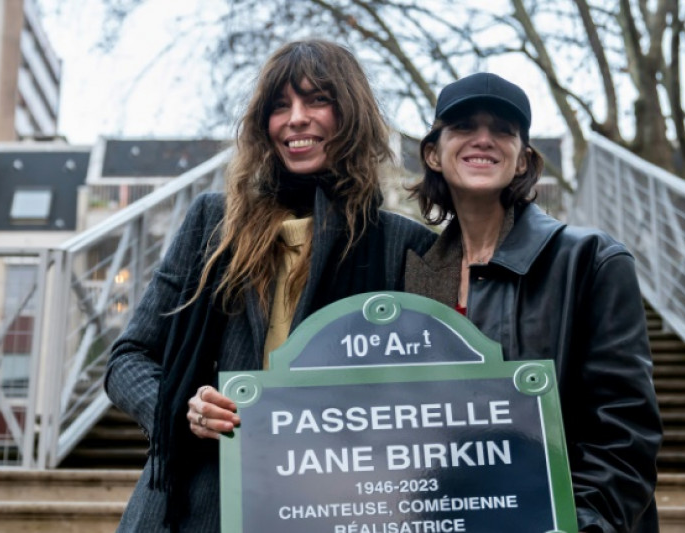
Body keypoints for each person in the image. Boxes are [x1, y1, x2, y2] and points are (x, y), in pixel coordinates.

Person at [104, 39, 436, 532]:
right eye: (279, 106)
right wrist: (183, 409)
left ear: (353, 115)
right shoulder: (213, 223)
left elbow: (426, 393)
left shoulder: (402, 245)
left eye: (317, 100)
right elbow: (128, 357)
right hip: (199, 505)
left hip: (337, 507)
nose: (296, 118)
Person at [403, 72, 662, 533]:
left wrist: (577, 524)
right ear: (433, 153)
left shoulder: (592, 261)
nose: (483, 139)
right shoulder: (408, 276)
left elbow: (624, 431)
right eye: (463, 126)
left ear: (522, 160)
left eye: (502, 129)